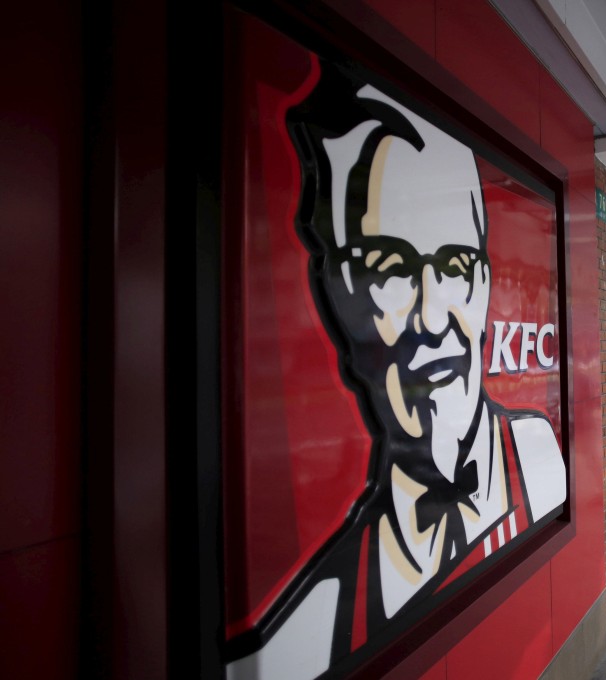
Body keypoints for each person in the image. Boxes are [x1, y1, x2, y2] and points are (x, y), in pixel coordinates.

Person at [226, 61, 567, 678]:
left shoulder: (543, 467)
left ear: (485, 287)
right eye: (388, 266)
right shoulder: (308, 632)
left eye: (458, 266)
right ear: (338, 290)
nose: (433, 314)